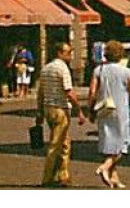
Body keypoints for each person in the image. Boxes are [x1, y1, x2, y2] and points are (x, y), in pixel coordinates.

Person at [88, 40, 130, 190]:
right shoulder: (126, 72)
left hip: (104, 110)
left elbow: (92, 92)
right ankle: (105, 167)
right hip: (121, 111)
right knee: (122, 145)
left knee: (108, 143)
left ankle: (114, 177)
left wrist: (90, 109)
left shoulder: (99, 70)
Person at [35, 41, 85, 188]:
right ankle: (47, 177)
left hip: (48, 108)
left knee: (64, 143)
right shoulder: (62, 69)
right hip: (60, 109)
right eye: (68, 53)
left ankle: (62, 175)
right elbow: (68, 91)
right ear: (59, 53)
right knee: (56, 144)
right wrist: (79, 110)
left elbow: (41, 92)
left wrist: (39, 111)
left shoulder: (46, 69)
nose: (70, 56)